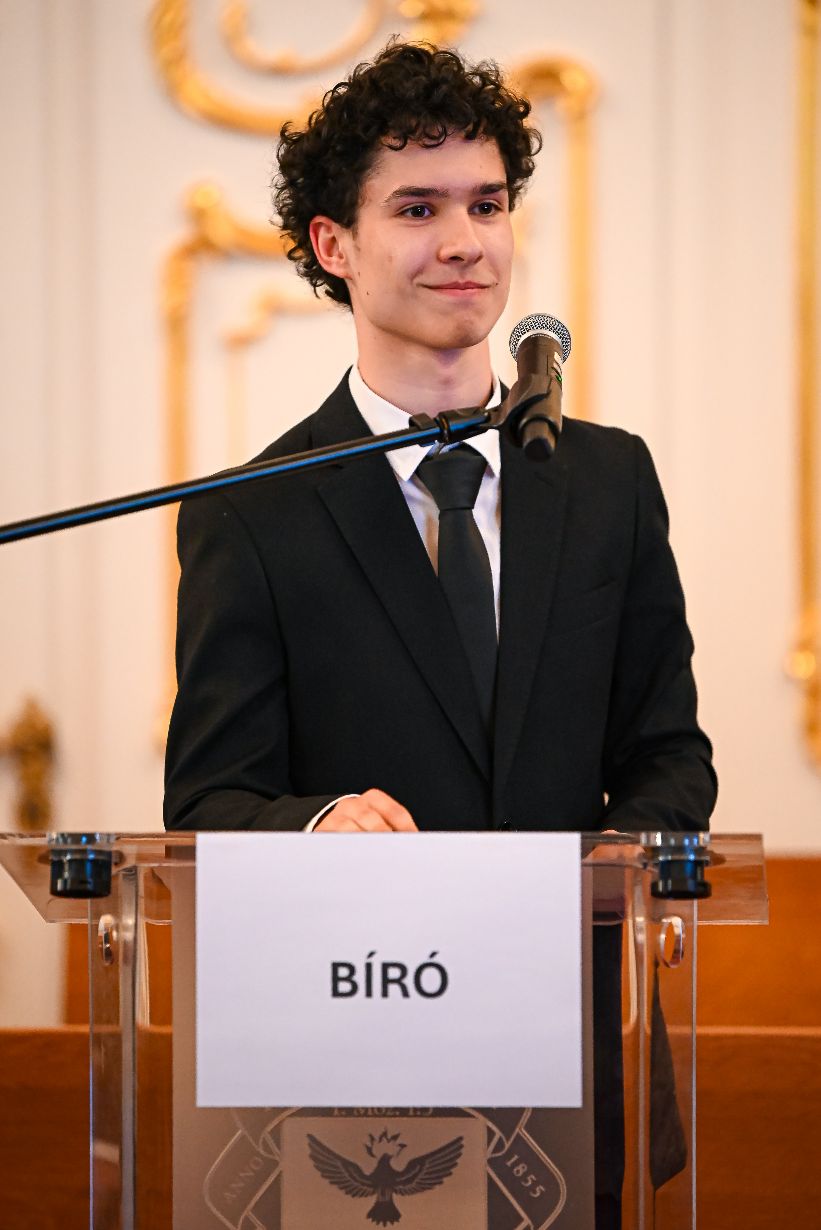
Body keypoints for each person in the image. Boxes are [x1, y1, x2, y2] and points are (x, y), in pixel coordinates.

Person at [163, 40, 716, 840]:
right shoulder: (249, 513)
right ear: (333, 245)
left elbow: (668, 756)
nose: (465, 243)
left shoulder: (611, 478)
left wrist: (608, 868)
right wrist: (318, 825)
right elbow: (209, 801)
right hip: (362, 924)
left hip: (570, 921)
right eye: (418, 210)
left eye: (486, 206)